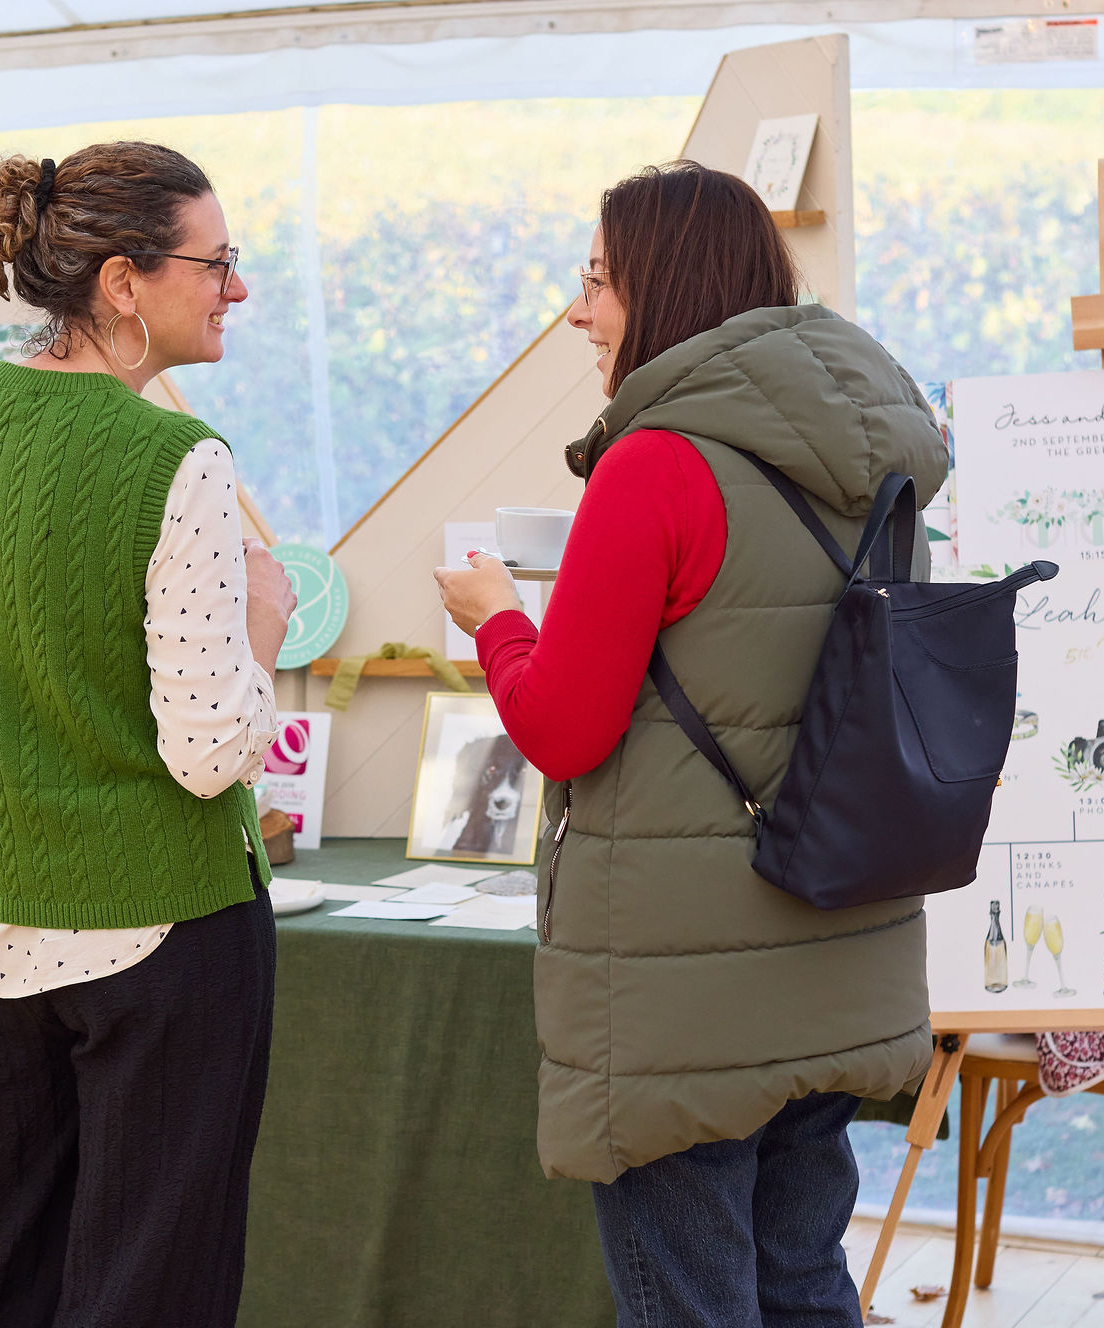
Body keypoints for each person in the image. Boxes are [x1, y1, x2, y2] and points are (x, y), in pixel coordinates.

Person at [434, 161, 948, 1326]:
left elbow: (562, 723)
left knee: (689, 1301)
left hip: (682, 992)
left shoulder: (655, 462)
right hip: (840, 942)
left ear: (662, 284)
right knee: (803, 1280)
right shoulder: (883, 459)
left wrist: (496, 620)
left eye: (598, 279)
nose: (578, 309)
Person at [0, 142, 297, 1327]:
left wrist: (10, 693)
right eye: (217, 262)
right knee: (148, 1278)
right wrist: (262, 627)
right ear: (120, 282)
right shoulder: (174, 459)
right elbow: (209, 751)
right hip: (163, 920)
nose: (235, 288)